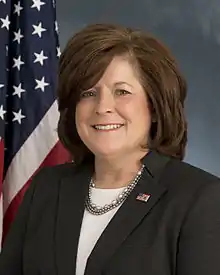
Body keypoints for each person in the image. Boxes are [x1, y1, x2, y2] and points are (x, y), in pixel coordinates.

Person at [0, 23, 220, 275]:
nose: (103, 107)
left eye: (122, 92)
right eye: (88, 93)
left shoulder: (201, 199)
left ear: (156, 106)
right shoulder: (46, 187)